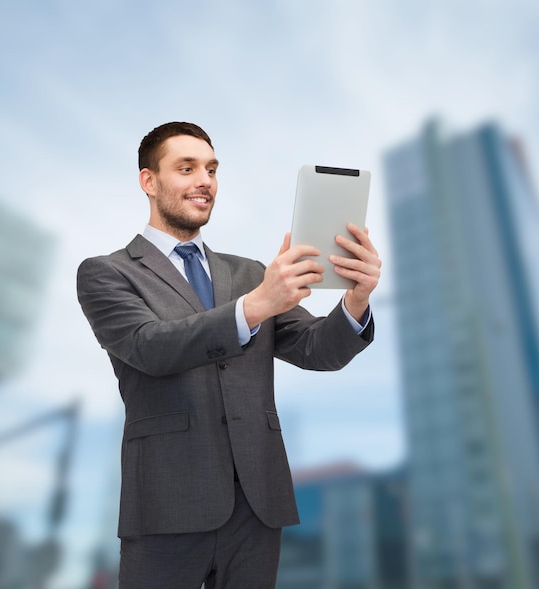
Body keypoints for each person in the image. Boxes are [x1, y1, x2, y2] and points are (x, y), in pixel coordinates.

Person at [77, 122, 381, 589]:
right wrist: (260, 304)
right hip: (167, 505)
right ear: (149, 182)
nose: (205, 180)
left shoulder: (251, 274)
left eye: (212, 169)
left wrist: (356, 300)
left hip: (258, 507)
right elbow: (150, 346)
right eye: (187, 168)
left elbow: (318, 349)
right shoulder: (107, 273)